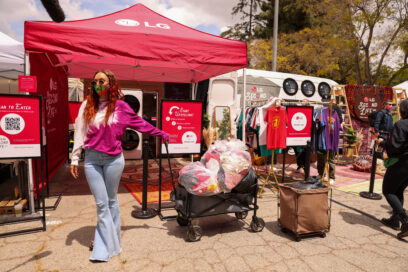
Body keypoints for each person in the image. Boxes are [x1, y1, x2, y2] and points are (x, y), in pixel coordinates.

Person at [70, 70, 169, 261]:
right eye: (95, 81)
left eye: (102, 81)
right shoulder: (87, 105)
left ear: (111, 83)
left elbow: (141, 124)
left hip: (113, 160)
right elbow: (79, 131)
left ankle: (106, 243)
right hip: (91, 159)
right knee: (101, 204)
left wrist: (161, 134)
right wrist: (75, 158)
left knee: (112, 201)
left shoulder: (121, 107)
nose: (98, 84)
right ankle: (107, 246)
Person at [379, 98, 408, 239]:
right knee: (398, 190)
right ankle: (395, 219)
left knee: (388, 190)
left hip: (402, 163)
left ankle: (405, 221)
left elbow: (394, 147)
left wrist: (383, 143)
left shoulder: (401, 124)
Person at [316, 97, 342, 184]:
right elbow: (319, 123)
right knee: (321, 157)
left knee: (331, 159)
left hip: (332, 139)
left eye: (334, 104)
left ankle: (332, 177)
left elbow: (339, 126)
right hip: (323, 139)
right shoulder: (322, 112)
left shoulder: (336, 114)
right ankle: (321, 173)